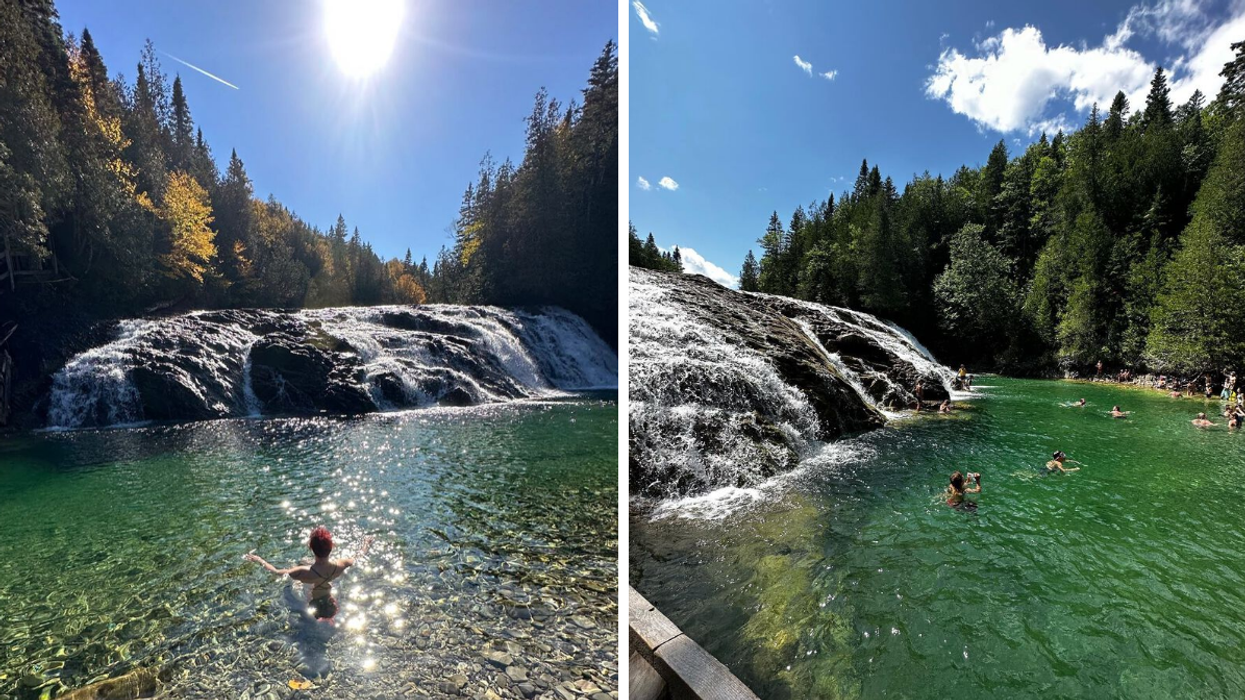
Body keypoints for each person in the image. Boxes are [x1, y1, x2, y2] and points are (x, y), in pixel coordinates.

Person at [245, 527, 375, 620]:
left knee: (301, 565)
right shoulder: (341, 564)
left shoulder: (303, 572)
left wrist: (259, 559)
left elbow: (276, 571)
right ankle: (329, 618)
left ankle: (322, 618)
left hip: (312, 599)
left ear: (311, 548)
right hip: (329, 595)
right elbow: (359, 555)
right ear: (332, 547)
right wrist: (366, 543)